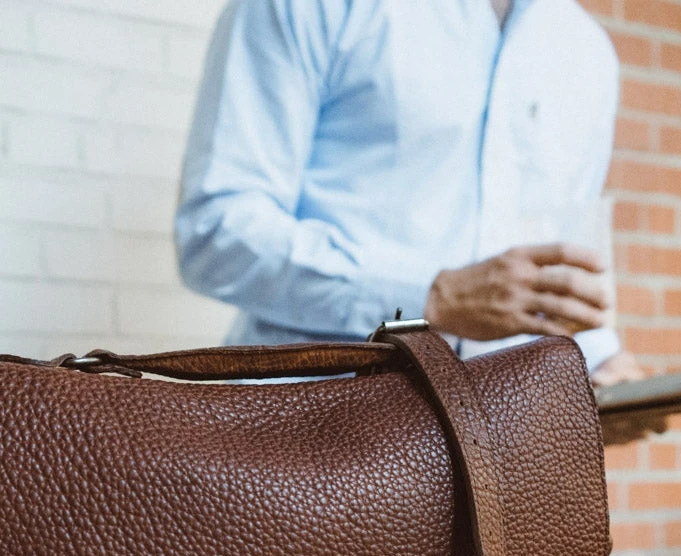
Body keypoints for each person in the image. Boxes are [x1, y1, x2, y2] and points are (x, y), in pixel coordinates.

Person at [174, 0, 643, 388]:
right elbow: (216, 233)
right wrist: (429, 298)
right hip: (311, 436)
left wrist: (599, 365)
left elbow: (553, 262)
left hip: (501, 450)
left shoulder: (589, 53)